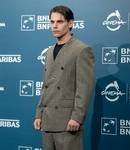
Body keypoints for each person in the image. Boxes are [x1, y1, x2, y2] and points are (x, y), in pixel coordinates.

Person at [33, 5, 95, 150]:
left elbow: (84, 88)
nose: (54, 26)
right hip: (47, 122)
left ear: (70, 23)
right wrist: (39, 113)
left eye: (59, 22)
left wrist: (77, 117)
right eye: (52, 22)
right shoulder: (48, 51)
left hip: (67, 121)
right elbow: (46, 86)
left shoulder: (82, 50)